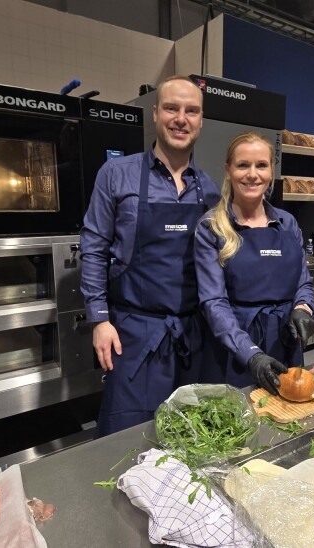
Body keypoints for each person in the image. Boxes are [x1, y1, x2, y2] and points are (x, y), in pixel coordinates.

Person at [80, 75, 221, 436]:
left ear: (201, 121)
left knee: (188, 438)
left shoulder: (209, 188)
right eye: (172, 108)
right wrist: (99, 319)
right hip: (133, 332)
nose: (181, 119)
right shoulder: (117, 175)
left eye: (191, 111)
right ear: (155, 114)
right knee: (125, 439)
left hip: (192, 334)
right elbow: (93, 249)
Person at [194, 132, 314, 395]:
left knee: (288, 418)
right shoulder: (211, 227)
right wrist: (251, 355)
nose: (252, 174)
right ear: (228, 170)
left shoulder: (287, 223)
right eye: (242, 165)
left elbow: (303, 281)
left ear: (271, 170)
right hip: (235, 348)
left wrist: (304, 309)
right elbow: (213, 302)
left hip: (286, 341)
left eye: (261, 165)